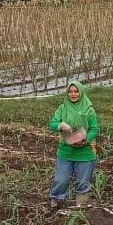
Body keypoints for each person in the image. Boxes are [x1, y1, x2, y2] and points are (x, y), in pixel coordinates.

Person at [47, 80, 99, 211]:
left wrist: (85, 139)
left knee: (82, 181)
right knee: (61, 179)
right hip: (66, 151)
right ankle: (56, 201)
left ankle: (81, 206)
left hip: (85, 153)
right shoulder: (62, 108)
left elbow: (94, 129)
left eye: (76, 91)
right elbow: (52, 124)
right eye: (70, 91)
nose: (73, 94)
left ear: (81, 92)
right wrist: (60, 125)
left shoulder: (88, 109)